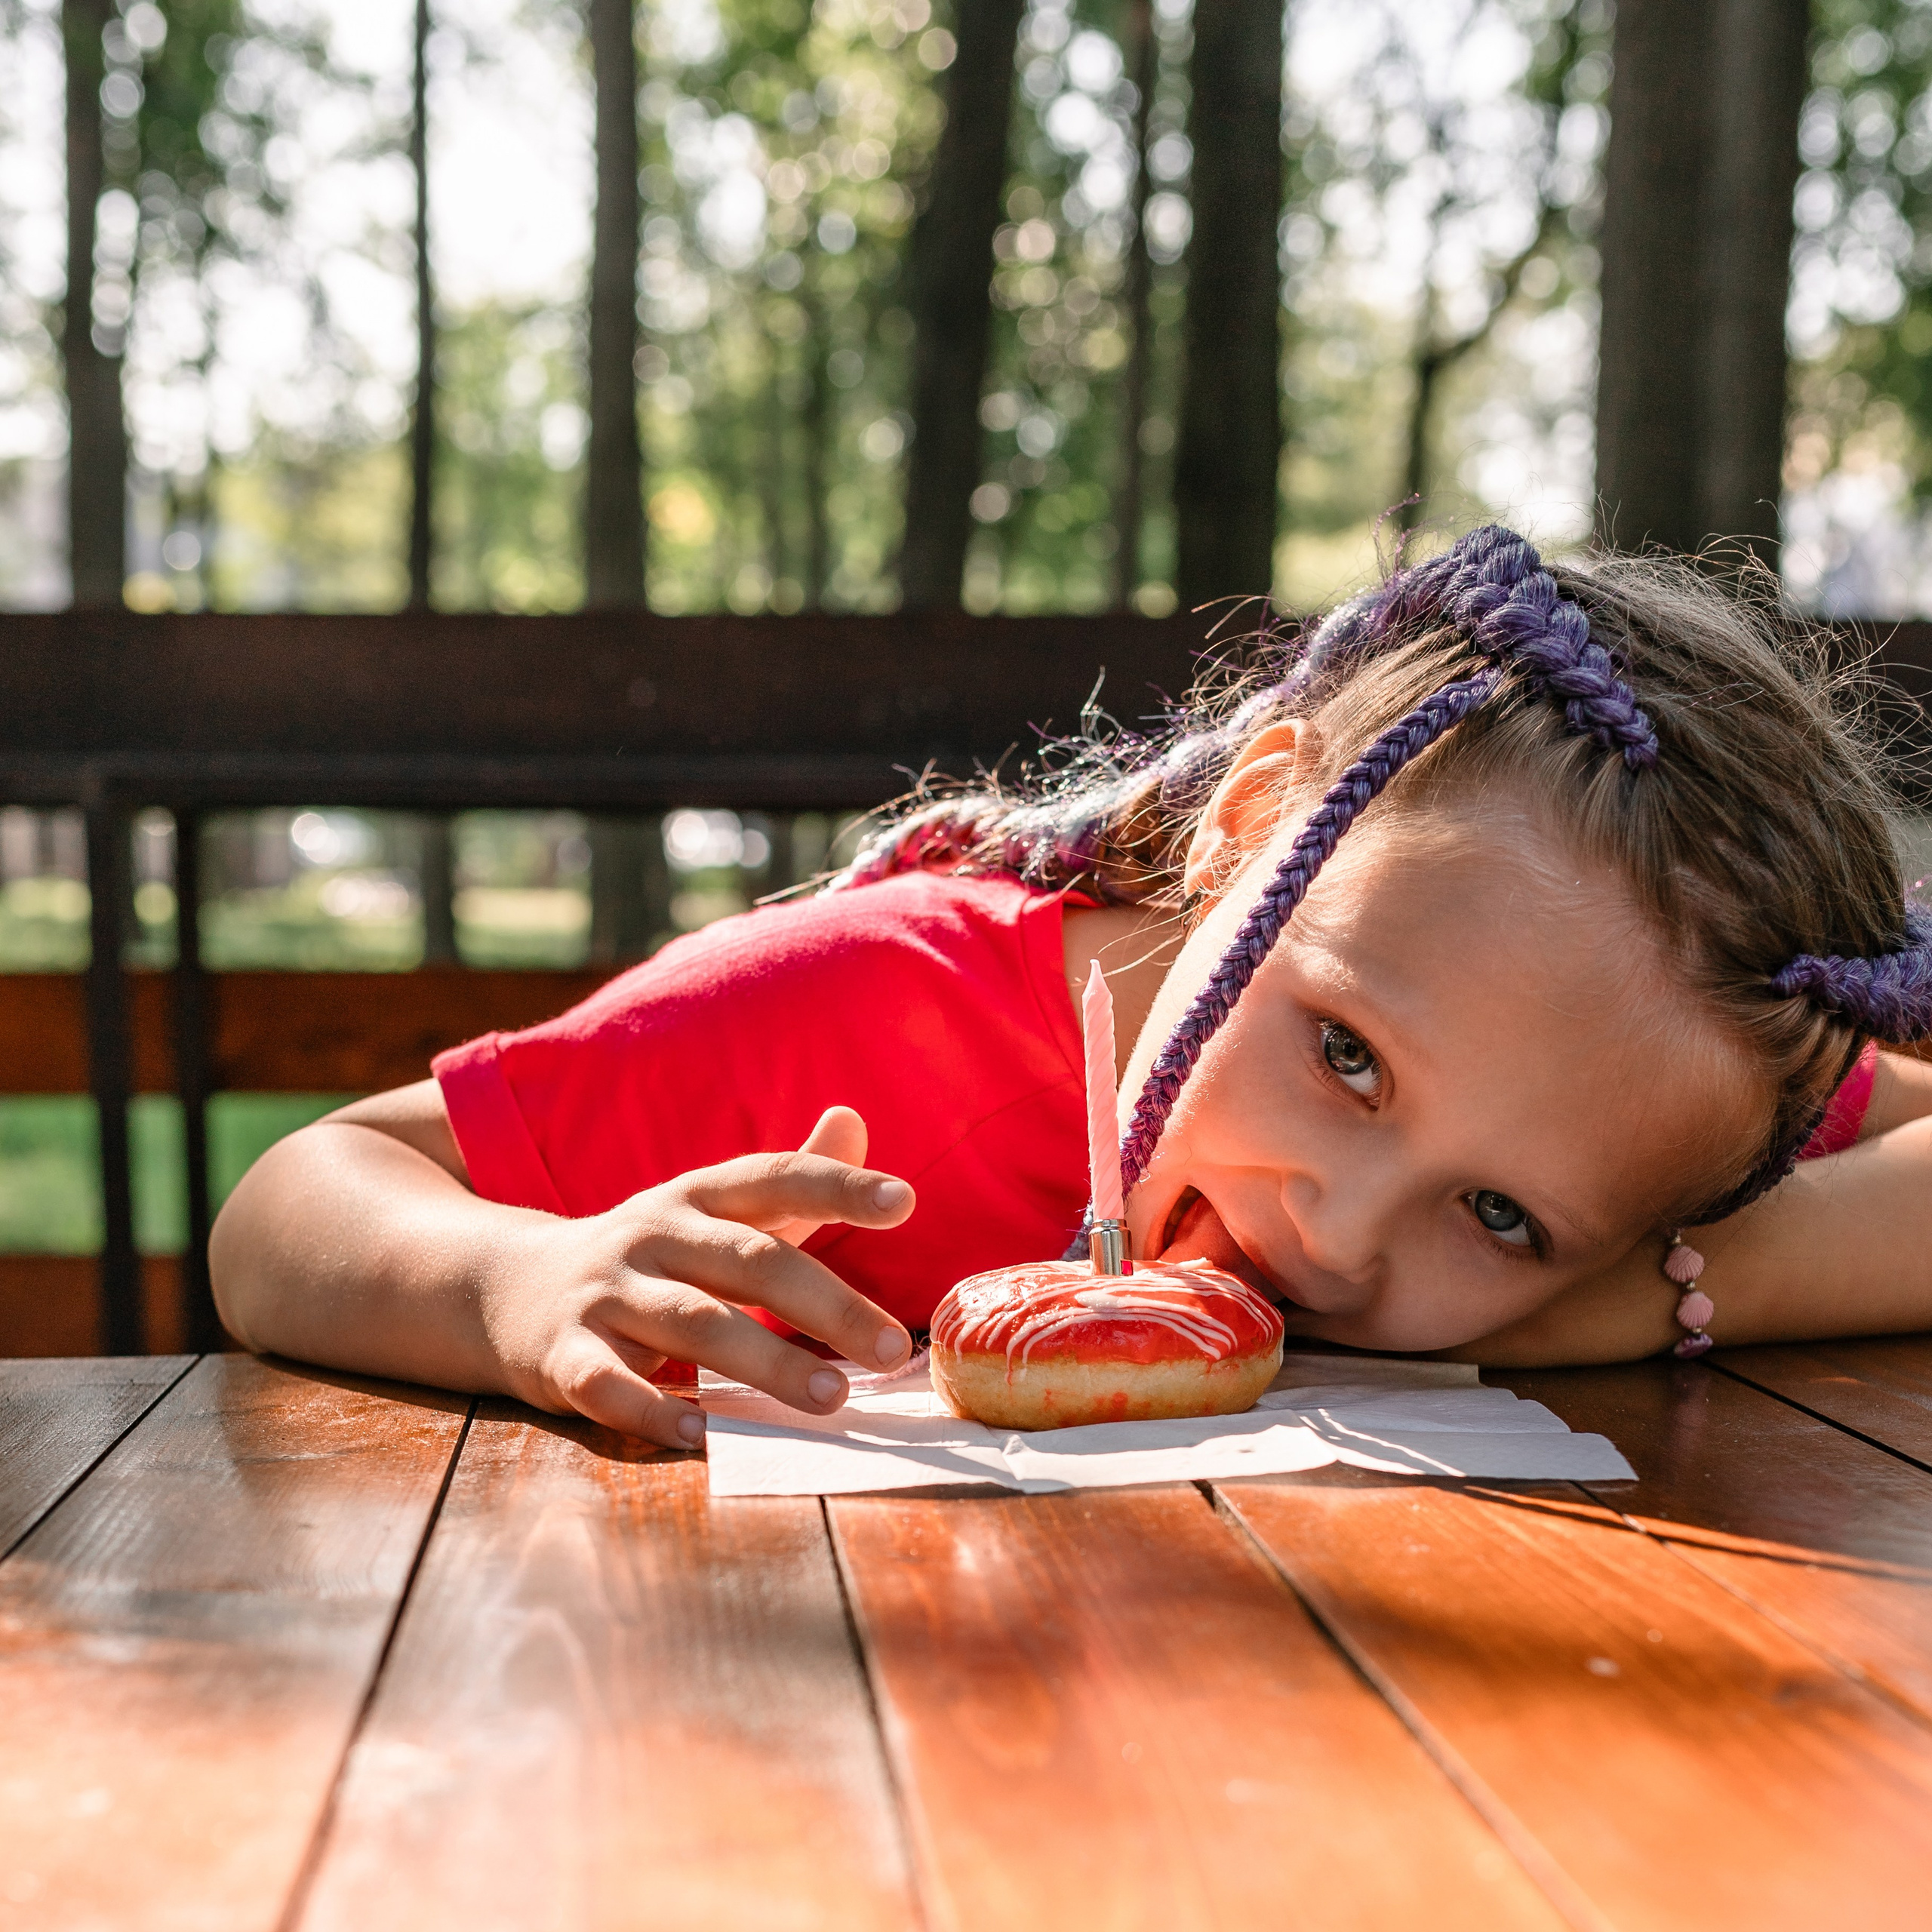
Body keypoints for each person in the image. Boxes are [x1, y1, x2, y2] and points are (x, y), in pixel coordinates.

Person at [211, 527, 1932, 1451]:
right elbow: (290, 1203)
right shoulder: (871, 1024)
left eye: (1498, 1212)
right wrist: (518, 1276)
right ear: (1256, 825)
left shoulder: (1652, 1039)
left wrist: (1665, 1284)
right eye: (1341, 1052)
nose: (1331, 1233)